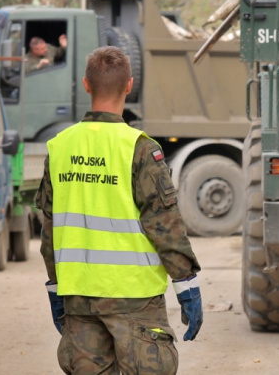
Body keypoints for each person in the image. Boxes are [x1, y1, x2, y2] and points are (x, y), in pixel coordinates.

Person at [36, 46, 202, 375]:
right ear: (129, 85)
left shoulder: (60, 147)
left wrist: (55, 287)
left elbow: (49, 229)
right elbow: (164, 224)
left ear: (86, 85)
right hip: (135, 299)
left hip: (79, 297)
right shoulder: (139, 148)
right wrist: (186, 285)